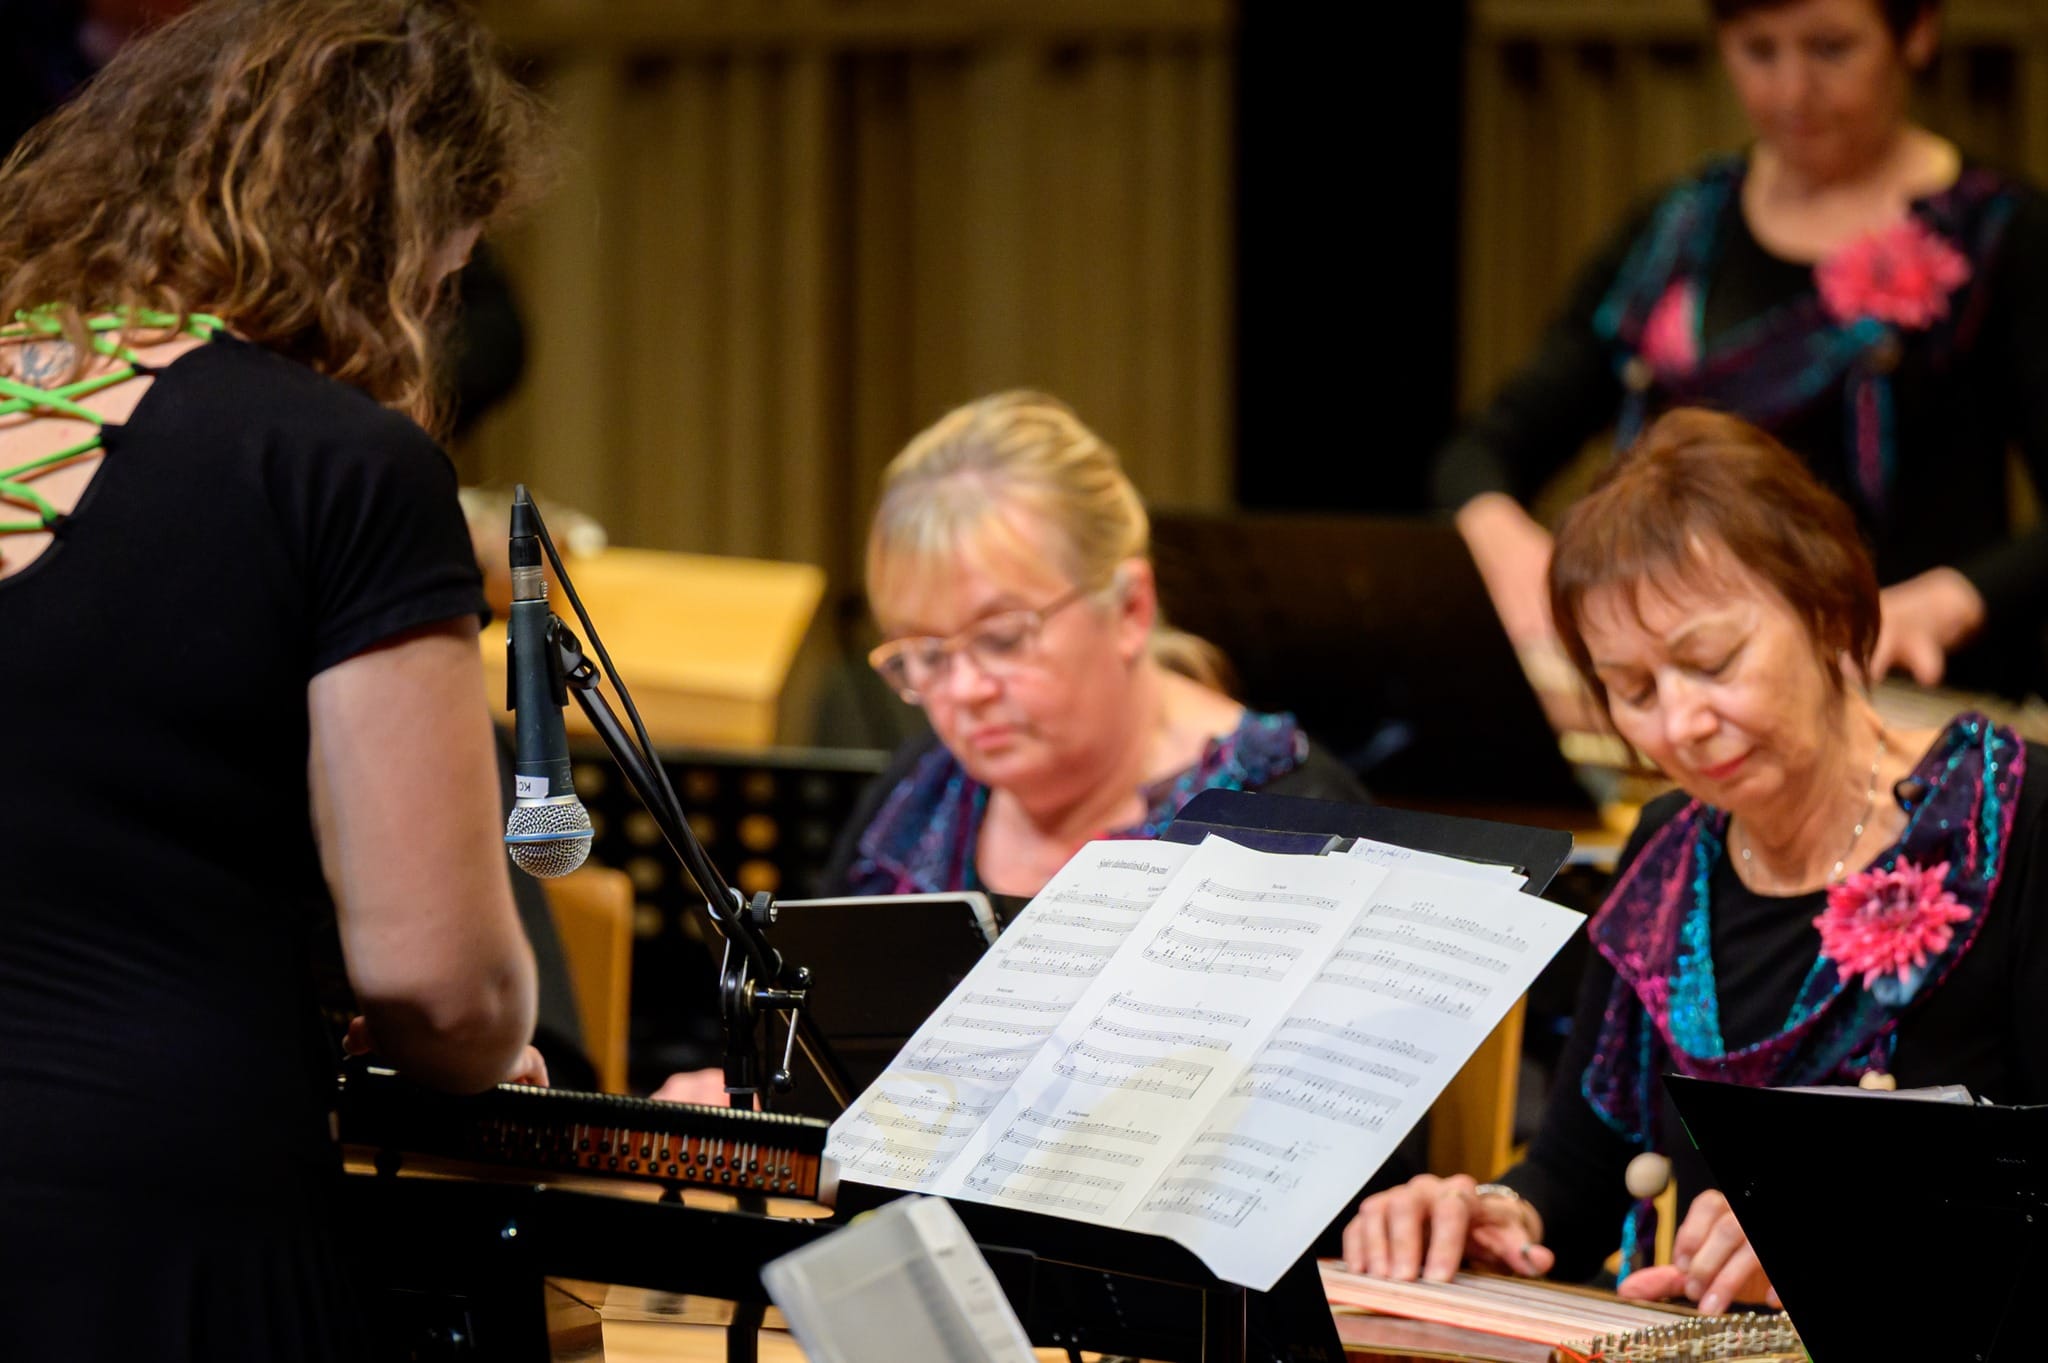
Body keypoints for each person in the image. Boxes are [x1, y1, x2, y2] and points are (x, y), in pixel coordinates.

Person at [0, 2, 550, 1358]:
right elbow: (439, 981)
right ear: (384, 237)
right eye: (442, 275)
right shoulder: (335, 464)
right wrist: (486, 1038)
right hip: (150, 1237)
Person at [1343, 408, 2048, 1314]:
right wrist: (1489, 1214)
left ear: (1827, 608)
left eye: (1711, 661)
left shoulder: (2015, 819)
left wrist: (1856, 1234)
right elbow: (1576, 1175)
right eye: (1633, 689)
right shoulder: (1670, 854)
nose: (1680, 723)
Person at [1442, 0, 2048, 700]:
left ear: (1916, 33)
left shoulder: (2002, 234)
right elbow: (1482, 452)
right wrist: (1506, 543)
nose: (1792, 90)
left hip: (1903, 700)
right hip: (1683, 704)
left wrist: (1950, 600)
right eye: (1759, 52)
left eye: (1831, 49)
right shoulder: (1677, 231)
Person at [822, 390, 1367, 910]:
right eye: (929, 655)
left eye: (1002, 637)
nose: (965, 690)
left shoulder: (1298, 820)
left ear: (1130, 609)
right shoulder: (918, 794)